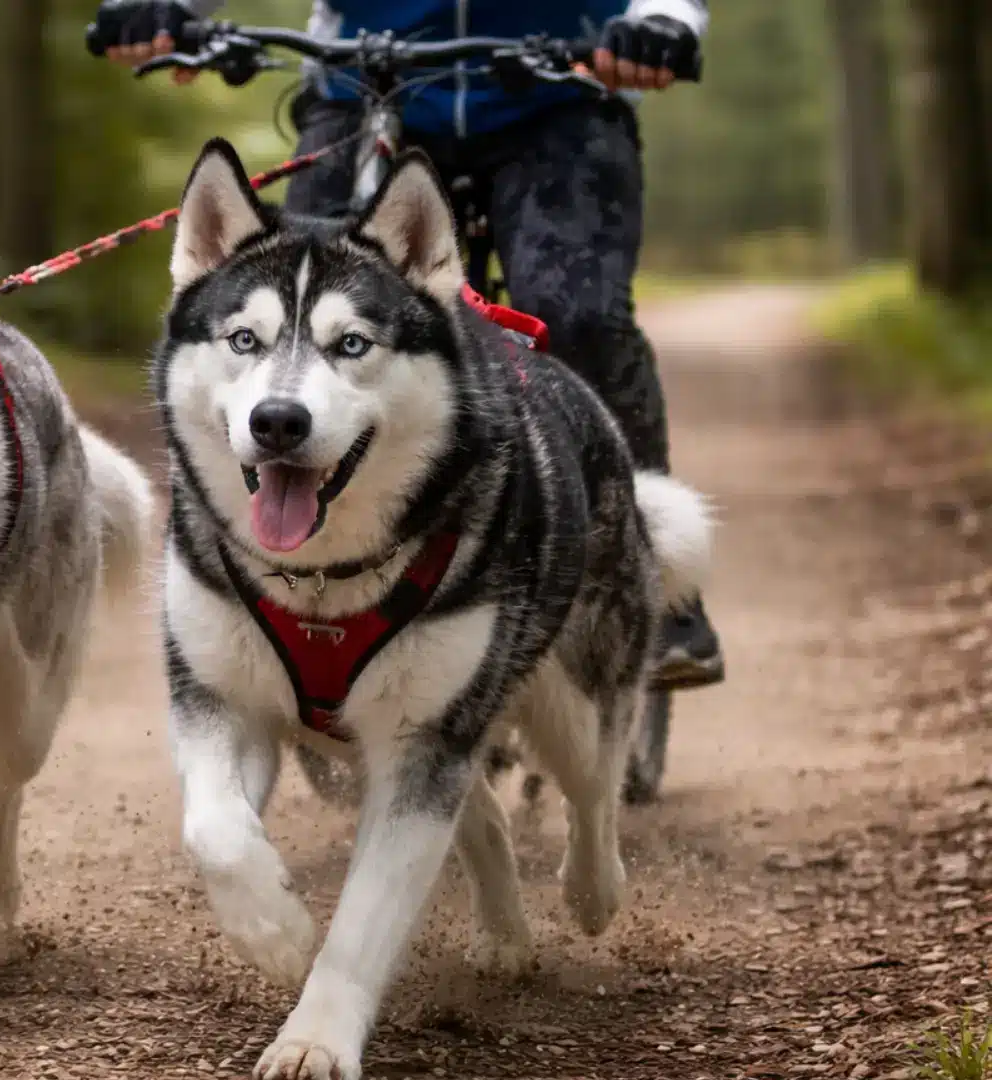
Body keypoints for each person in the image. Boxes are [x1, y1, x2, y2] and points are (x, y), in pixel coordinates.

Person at [90, 0, 724, 692]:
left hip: (561, 91)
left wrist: (662, 22)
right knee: (296, 300)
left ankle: (647, 583)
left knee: (577, 315)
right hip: (362, 88)